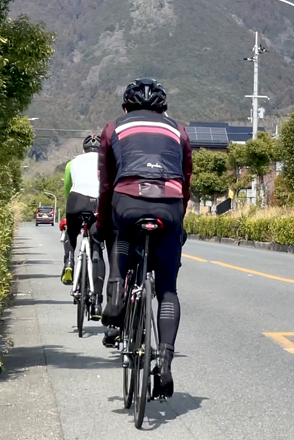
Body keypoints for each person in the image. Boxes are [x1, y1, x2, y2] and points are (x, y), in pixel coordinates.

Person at [95, 77, 191, 399]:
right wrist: (179, 222)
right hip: (170, 208)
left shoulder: (113, 129)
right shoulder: (179, 131)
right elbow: (186, 180)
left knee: (120, 234)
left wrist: (103, 223)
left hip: (127, 204)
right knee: (167, 290)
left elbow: (106, 185)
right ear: (164, 108)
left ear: (126, 106)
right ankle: (164, 361)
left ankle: (116, 296)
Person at [62, 134, 105, 317]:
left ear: (83, 150)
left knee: (71, 232)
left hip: (76, 201)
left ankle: (69, 261)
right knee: (97, 246)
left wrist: (69, 213)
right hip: (98, 202)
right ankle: (96, 302)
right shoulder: (106, 161)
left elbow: (67, 187)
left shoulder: (73, 162)